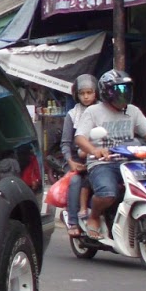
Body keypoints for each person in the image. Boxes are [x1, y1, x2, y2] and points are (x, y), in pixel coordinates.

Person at [75, 69, 146, 239]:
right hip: (103, 162)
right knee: (108, 193)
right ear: (107, 92)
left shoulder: (133, 111)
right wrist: (95, 151)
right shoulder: (93, 112)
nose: (124, 94)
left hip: (130, 160)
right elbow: (80, 138)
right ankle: (94, 217)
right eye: (118, 90)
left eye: (126, 89)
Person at [60, 74, 99, 238]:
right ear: (77, 95)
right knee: (76, 180)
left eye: (89, 92)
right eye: (82, 93)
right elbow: (66, 143)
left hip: (99, 156)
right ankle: (73, 221)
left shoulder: (103, 110)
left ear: (96, 92)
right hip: (78, 160)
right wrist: (71, 161)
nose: (86, 96)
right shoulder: (72, 115)